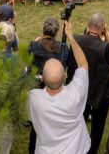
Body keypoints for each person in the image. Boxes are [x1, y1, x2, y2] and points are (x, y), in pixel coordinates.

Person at [27, 20, 90, 154]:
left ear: (42, 78)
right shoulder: (76, 94)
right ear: (65, 75)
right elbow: (83, 65)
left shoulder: (33, 98)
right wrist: (70, 36)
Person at [67, 13, 109, 154]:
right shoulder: (106, 46)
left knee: (78, 121)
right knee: (98, 126)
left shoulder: (75, 39)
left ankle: (76, 146)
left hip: (79, 88)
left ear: (87, 25)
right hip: (98, 92)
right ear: (103, 27)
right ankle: (91, 150)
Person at [27, 17, 70, 154]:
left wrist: (35, 43)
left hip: (38, 88)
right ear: (56, 32)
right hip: (54, 91)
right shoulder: (63, 48)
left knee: (37, 125)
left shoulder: (34, 45)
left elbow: (27, 63)